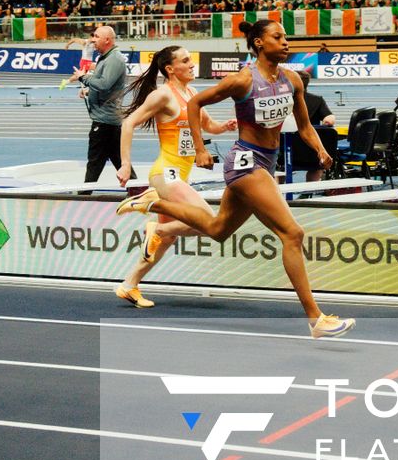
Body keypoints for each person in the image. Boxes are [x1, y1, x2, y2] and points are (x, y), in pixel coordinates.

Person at [114, 20, 353, 335]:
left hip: (266, 163)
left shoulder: (293, 80)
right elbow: (196, 104)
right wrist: (200, 149)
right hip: (245, 163)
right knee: (292, 234)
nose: (285, 42)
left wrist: (320, 151)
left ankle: (154, 204)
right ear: (258, 43)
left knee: (216, 229)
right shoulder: (242, 80)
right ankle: (316, 319)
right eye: (277, 37)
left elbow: (305, 126)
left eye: (286, 37)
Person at [117, 47, 236, 209]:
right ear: (170, 69)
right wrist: (125, 165)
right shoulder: (163, 95)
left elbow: (208, 125)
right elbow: (128, 123)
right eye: (186, 61)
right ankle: (149, 200)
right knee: (205, 216)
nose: (192, 65)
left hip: (183, 175)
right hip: (166, 173)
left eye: (191, 60)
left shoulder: (193, 93)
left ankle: (155, 221)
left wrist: (225, 126)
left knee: (168, 234)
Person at [79, 24, 128, 182]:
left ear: (107, 40)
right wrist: (89, 91)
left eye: (97, 37)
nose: (93, 40)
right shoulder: (106, 57)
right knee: (119, 161)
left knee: (95, 162)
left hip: (105, 120)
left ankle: (84, 197)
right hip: (108, 119)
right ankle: (136, 190)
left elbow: (104, 84)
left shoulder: (114, 58)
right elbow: (103, 85)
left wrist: (83, 78)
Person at [289, 78, 339, 180]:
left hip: (289, 150)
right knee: (316, 167)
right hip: (313, 152)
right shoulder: (317, 100)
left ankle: (279, 192)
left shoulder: (285, 100)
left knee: (281, 168)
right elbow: (329, 119)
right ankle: (309, 194)